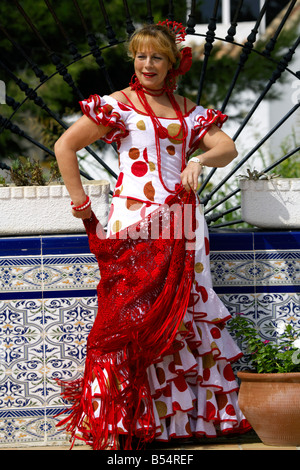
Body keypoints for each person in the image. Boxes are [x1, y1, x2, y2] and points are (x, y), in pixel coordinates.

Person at [54, 21, 250, 450]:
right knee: (129, 316)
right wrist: (83, 208)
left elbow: (228, 147)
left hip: (181, 224)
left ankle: (176, 426)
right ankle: (118, 421)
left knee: (181, 314)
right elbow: (64, 146)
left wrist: (199, 159)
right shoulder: (117, 106)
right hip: (134, 221)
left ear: (172, 63)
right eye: (141, 56)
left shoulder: (188, 110)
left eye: (156, 57)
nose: (147, 64)